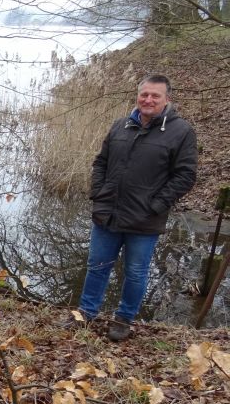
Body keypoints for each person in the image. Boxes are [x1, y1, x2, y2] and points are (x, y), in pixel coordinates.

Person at [70, 75, 197, 341]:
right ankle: (86, 313)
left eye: (155, 96)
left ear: (167, 100)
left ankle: (124, 319)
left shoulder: (181, 131)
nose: (148, 100)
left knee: (136, 272)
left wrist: (157, 204)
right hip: (108, 214)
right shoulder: (121, 125)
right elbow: (100, 162)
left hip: (145, 219)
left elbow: (185, 176)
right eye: (144, 95)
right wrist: (99, 193)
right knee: (97, 266)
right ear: (137, 96)